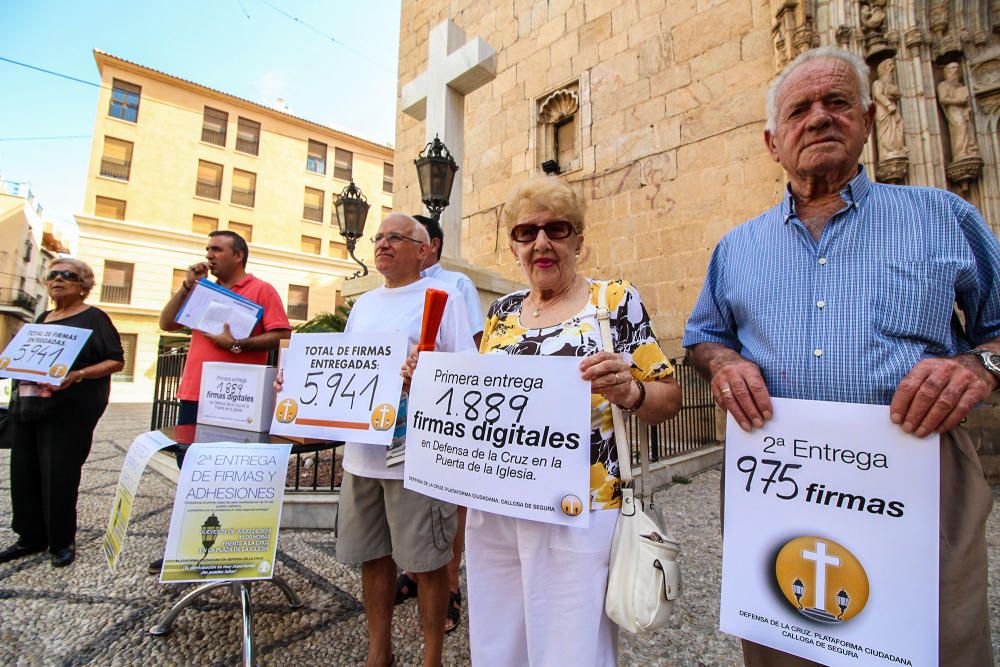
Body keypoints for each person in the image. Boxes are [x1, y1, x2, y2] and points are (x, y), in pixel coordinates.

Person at [684, 46, 997, 667]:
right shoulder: (737, 247)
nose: (820, 118)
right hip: (782, 489)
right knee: (785, 646)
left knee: (933, 641)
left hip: (917, 478)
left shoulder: (941, 217)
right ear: (773, 143)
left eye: (837, 102)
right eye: (800, 109)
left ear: (869, 119)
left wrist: (976, 366)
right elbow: (701, 336)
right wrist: (723, 364)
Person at [460, 175, 682, 666]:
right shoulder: (499, 313)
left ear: (578, 239)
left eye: (556, 229)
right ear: (513, 246)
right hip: (496, 507)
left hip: (578, 509)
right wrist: (427, 381)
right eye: (525, 232)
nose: (541, 242)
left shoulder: (613, 301)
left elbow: (668, 397)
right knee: (500, 644)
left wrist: (630, 389)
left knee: (570, 648)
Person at [327, 213, 475, 667]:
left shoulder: (444, 298)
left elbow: (467, 371)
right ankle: (379, 652)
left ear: (423, 249)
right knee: (374, 557)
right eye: (379, 237)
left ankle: (432, 658)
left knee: (428, 562)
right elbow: (343, 368)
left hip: (414, 456)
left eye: (396, 237)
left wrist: (424, 375)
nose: (383, 244)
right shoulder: (365, 304)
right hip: (361, 457)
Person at [150, 229, 290, 573]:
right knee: (192, 472)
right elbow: (166, 322)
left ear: (238, 255)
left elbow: (281, 334)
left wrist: (238, 344)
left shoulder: (262, 290)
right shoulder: (200, 290)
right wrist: (186, 287)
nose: (209, 255)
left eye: (217, 249)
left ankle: (229, 547)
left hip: (238, 400)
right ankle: (190, 546)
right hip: (196, 394)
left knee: (233, 474)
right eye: (207, 249)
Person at [394, 213, 485, 633]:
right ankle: (414, 574)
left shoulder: (456, 286)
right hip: (396, 424)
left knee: (449, 503)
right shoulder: (389, 291)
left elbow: (473, 344)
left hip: (440, 411)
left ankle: (449, 585)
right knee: (411, 501)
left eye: (406, 238)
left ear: (430, 245)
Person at [0, 258, 124, 567]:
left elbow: (116, 360)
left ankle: (61, 541)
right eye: (53, 275)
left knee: (59, 475)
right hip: (30, 405)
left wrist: (78, 375)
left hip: (69, 410)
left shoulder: (95, 318)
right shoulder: (43, 318)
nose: (58, 279)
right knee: (24, 472)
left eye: (67, 275)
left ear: (84, 285)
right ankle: (30, 537)